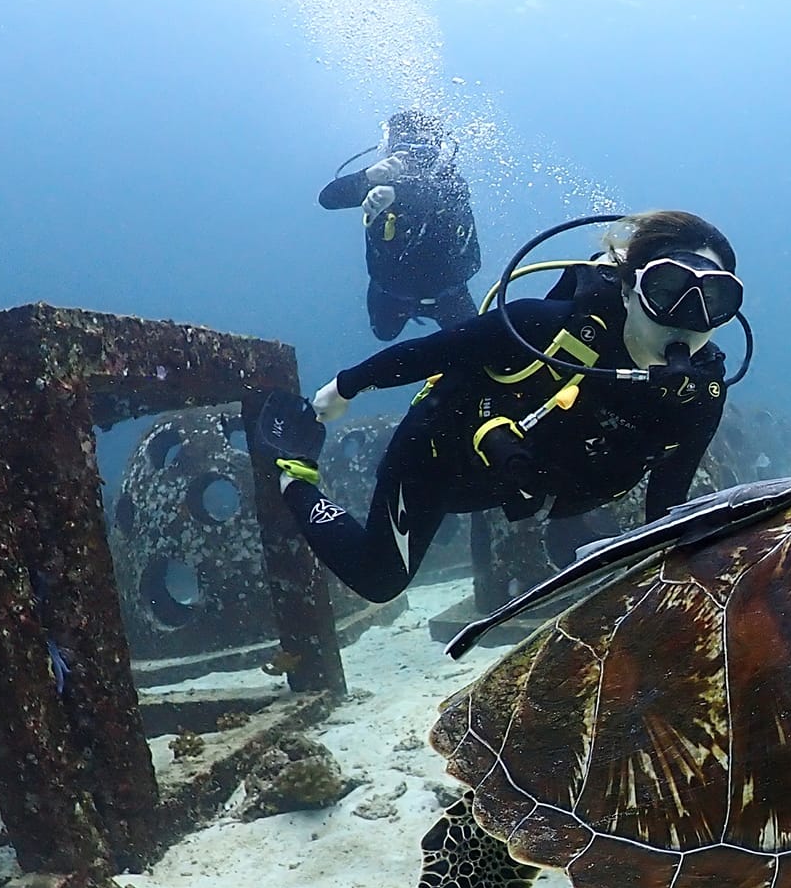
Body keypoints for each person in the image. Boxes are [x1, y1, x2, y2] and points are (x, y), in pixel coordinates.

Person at [251, 210, 742, 603]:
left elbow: (667, 503)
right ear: (630, 287)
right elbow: (428, 353)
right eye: (668, 290)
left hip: (528, 486)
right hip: (438, 458)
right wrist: (340, 391)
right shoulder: (543, 329)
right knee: (380, 580)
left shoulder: (698, 395)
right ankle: (293, 476)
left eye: (714, 298)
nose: (688, 319)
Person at [320, 110, 482, 340]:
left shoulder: (449, 183)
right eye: (406, 152)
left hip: (448, 293)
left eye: (423, 153)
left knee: (473, 345)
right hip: (392, 292)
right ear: (390, 150)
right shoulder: (381, 179)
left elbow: (440, 196)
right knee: (383, 334)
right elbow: (328, 199)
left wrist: (396, 193)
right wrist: (366, 177)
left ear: (437, 152)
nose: (414, 162)